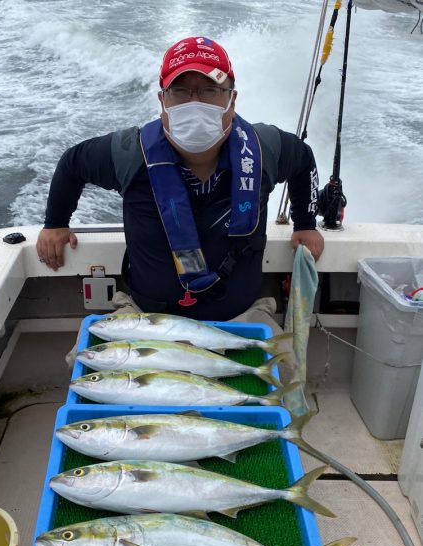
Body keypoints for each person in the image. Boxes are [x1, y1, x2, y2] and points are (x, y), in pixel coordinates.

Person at [37, 35, 324, 342]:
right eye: (180, 90)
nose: (194, 102)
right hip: (145, 321)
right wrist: (56, 223)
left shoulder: (266, 150)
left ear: (232, 98)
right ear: (162, 99)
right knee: (91, 381)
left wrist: (305, 224)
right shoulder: (128, 154)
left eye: (210, 89)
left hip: (243, 321)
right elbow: (72, 164)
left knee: (284, 382)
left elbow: (303, 161)